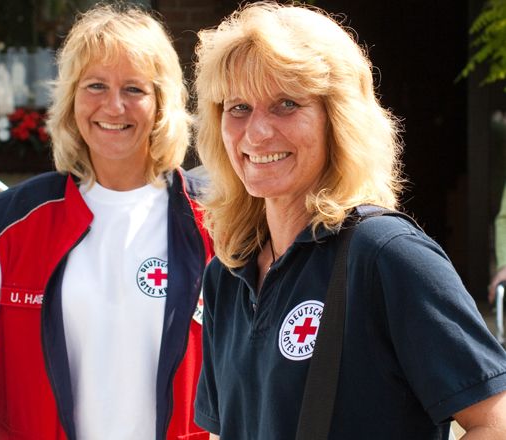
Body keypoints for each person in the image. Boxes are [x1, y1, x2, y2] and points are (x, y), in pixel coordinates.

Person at [191, 2, 506, 439]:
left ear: (336, 120)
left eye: (286, 103)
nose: (257, 132)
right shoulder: (225, 275)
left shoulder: (387, 256)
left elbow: (496, 421)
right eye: (238, 107)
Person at [0, 3, 213, 439]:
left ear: (161, 104)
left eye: (134, 89)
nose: (113, 106)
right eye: (95, 85)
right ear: (72, 99)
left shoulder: (213, 223)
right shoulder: (17, 224)